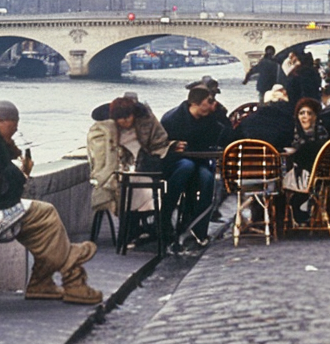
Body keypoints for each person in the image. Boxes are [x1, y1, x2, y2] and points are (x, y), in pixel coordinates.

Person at [0, 100, 102, 305]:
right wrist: (21, 175)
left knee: (44, 231)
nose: (13, 134)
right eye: (11, 129)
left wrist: (16, 166)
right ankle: (71, 270)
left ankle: (42, 283)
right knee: (45, 215)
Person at [160, 86, 230, 242]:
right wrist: (173, 145)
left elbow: (228, 137)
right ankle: (165, 216)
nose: (213, 105)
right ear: (196, 103)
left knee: (207, 178)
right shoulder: (172, 119)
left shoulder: (213, 118)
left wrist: (221, 115)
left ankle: (199, 228)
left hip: (201, 161)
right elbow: (159, 144)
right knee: (186, 167)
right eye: (210, 101)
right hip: (177, 162)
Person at [86, 96, 171, 221]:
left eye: (128, 117)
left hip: (144, 167)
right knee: (131, 192)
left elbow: (160, 142)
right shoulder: (105, 131)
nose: (125, 121)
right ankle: (134, 227)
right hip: (120, 172)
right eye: (121, 118)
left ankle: (139, 225)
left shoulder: (146, 123)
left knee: (143, 189)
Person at [237, 85, 295, 152]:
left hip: (249, 160)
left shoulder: (248, 121)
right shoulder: (288, 121)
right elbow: (288, 142)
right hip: (274, 159)